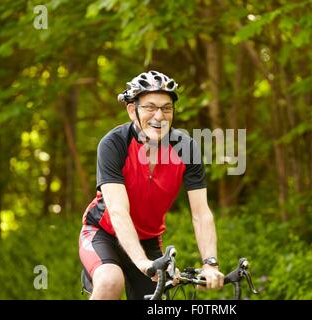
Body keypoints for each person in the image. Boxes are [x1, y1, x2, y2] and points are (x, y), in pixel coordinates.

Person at [79, 70, 224, 300]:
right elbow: (117, 211)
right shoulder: (114, 144)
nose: (159, 115)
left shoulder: (185, 148)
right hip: (103, 233)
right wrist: (142, 262)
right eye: (150, 107)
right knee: (109, 281)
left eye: (167, 108)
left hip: (148, 240)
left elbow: (201, 213)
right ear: (132, 110)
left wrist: (210, 263)